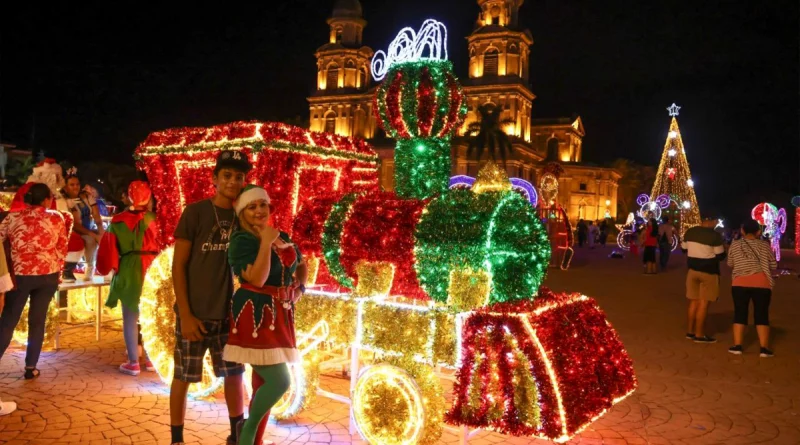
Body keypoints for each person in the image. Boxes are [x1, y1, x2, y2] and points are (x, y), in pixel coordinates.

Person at [170, 151, 249, 445]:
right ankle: (176, 438)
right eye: (226, 175)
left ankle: (237, 434)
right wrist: (186, 314)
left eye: (238, 176)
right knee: (183, 375)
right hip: (196, 313)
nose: (232, 181)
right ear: (215, 179)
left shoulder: (246, 217)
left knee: (234, 374)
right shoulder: (196, 212)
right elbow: (178, 265)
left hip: (229, 314)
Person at [223, 185, 307, 445]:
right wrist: (266, 242)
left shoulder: (280, 235)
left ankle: (253, 440)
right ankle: (247, 430)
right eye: (252, 206)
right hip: (254, 313)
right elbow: (257, 278)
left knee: (263, 383)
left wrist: (299, 287)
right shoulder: (241, 240)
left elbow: (302, 264)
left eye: (263, 204)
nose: (260, 210)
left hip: (280, 314)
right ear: (242, 213)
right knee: (280, 381)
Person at [0, 183, 68, 379]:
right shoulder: (56, 219)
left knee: (8, 320)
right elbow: (62, 248)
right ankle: (31, 367)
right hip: (48, 275)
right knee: (38, 321)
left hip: (21, 276)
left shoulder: (13, 217)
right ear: (47, 200)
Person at [96, 181, 159, 375]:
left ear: (129, 196)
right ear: (148, 197)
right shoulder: (155, 219)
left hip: (128, 268)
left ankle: (133, 362)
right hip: (152, 267)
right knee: (151, 316)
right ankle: (150, 359)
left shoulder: (117, 221)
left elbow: (107, 250)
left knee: (130, 317)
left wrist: (110, 267)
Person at [727, 220, 777, 357]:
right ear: (758, 232)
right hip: (761, 283)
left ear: (742, 231)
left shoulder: (735, 245)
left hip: (739, 283)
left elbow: (730, 263)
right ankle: (764, 348)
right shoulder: (764, 245)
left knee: (740, 313)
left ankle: (737, 346)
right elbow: (773, 265)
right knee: (762, 314)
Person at [682, 219, 726, 343]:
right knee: (704, 303)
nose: (716, 223)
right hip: (709, 272)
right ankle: (699, 334)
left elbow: (684, 248)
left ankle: (690, 331)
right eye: (715, 221)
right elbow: (720, 255)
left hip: (692, 271)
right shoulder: (714, 236)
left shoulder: (690, 232)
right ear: (709, 221)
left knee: (693, 301)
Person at [61, 168, 105, 281]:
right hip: (73, 232)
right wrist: (94, 235)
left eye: (77, 184)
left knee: (108, 237)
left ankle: (109, 269)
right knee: (90, 240)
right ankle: (89, 267)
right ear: (66, 186)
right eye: (72, 185)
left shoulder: (85, 196)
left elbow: (96, 215)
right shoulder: (63, 200)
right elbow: (74, 225)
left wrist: (101, 231)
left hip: (88, 230)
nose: (75, 187)